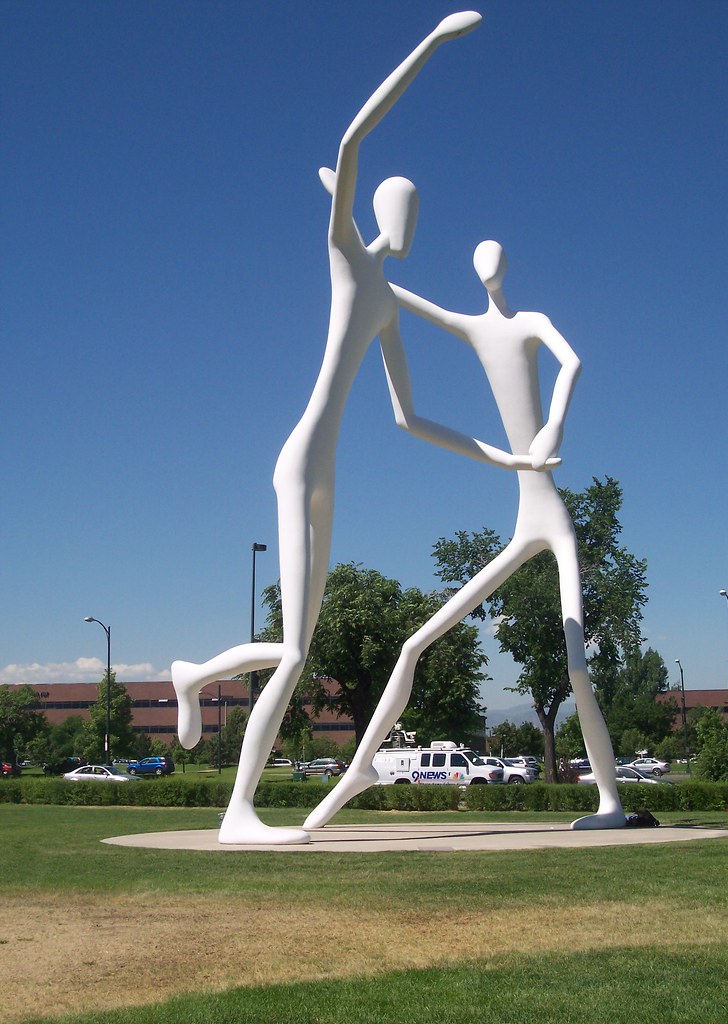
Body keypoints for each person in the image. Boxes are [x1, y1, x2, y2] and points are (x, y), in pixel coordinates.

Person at [171, 13, 548, 845]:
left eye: (416, 213)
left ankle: (195, 674)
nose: (409, 225)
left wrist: (511, 458)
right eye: (400, 208)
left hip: (329, 473)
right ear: (376, 210)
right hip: (299, 460)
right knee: (299, 654)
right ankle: (238, 814)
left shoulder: (384, 304)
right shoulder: (346, 250)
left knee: (294, 641)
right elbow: (349, 142)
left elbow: (409, 418)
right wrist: (431, 46)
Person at [305, 239, 626, 832]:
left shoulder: (531, 322)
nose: (489, 271)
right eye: (480, 262)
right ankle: (361, 769)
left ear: (506, 266)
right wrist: (357, 258)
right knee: (411, 647)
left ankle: (610, 801)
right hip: (520, 522)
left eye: (497, 259)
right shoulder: (468, 326)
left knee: (576, 663)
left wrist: (555, 424)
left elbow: (572, 362)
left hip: (552, 519)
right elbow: (395, 295)